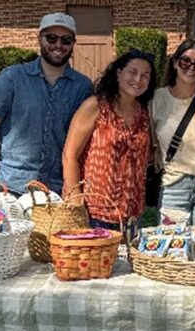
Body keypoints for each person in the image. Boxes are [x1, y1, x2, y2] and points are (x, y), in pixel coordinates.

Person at [0, 13, 93, 196]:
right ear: (39, 38)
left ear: (73, 43)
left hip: (58, 192)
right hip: (12, 188)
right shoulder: (12, 77)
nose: (58, 45)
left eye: (66, 40)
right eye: (51, 38)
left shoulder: (83, 87)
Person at [62, 50, 156, 229]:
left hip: (132, 214)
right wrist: (76, 203)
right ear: (118, 73)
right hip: (94, 212)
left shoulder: (143, 113)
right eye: (132, 72)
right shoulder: (96, 106)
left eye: (145, 75)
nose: (138, 79)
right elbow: (70, 155)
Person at [151, 40, 195, 225]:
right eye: (185, 61)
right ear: (175, 63)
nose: (191, 67)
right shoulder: (157, 99)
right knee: (172, 247)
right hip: (174, 184)